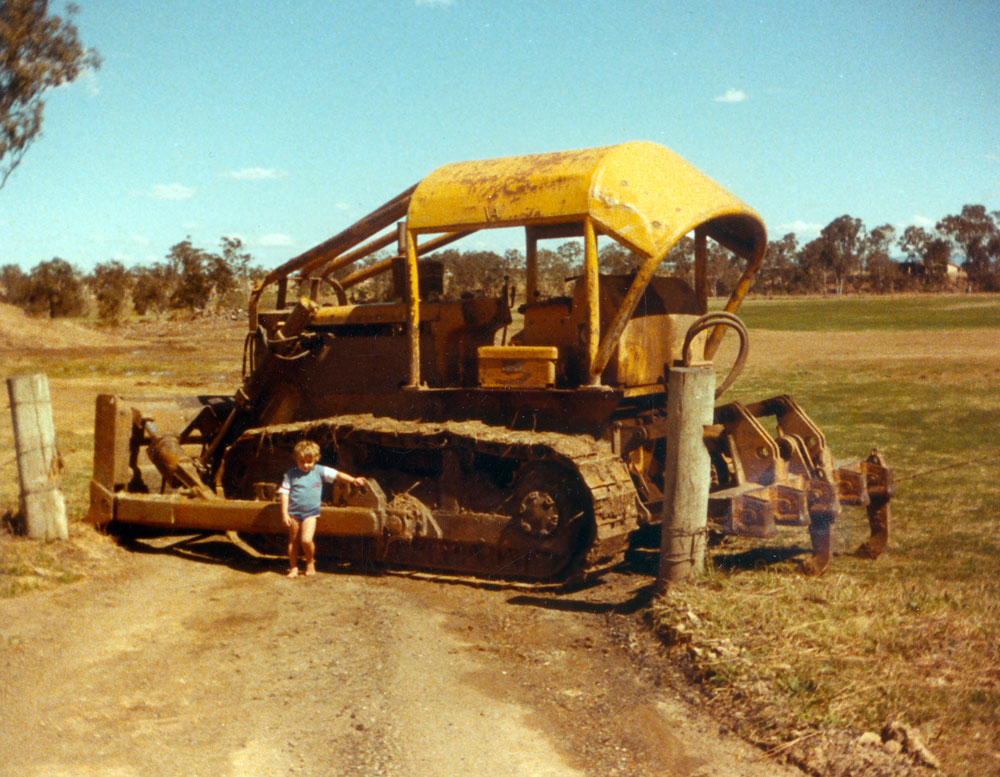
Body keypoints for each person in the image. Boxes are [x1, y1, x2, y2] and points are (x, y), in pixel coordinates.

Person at [278, 439, 367, 578]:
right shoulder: (290, 474)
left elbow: (337, 475)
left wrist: (353, 480)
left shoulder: (319, 471)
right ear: (296, 460)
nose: (306, 465)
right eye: (302, 462)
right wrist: (284, 514)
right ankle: (293, 567)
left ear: (315, 459)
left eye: (310, 461)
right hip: (294, 513)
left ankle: (309, 562)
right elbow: (284, 494)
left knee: (306, 540)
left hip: (310, 513)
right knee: (293, 541)